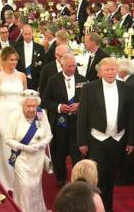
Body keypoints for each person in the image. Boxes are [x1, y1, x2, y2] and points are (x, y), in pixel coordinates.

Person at [77, 57, 134, 212]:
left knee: (111, 177)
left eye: (113, 69)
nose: (110, 72)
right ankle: (92, 207)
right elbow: (82, 116)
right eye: (107, 70)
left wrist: (131, 141)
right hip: (97, 139)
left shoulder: (127, 88)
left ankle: (107, 208)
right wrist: (81, 141)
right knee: (96, 177)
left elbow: (131, 116)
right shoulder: (89, 88)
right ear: (100, 72)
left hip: (117, 139)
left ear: (117, 70)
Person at [42, 52, 87, 188]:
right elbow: (44, 101)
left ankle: (78, 180)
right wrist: (59, 107)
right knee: (59, 153)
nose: (72, 69)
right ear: (62, 66)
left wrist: (80, 105)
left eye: (74, 66)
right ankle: (61, 178)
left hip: (77, 124)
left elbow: (89, 101)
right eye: (68, 66)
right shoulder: (53, 80)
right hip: (59, 123)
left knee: (76, 154)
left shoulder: (82, 79)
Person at [5, 89, 52, 212]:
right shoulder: (15, 115)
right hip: (22, 158)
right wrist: (25, 147)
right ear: (22, 104)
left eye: (34, 106)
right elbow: (8, 139)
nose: (32, 109)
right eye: (29, 106)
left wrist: (40, 145)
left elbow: (49, 135)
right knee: (25, 186)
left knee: (35, 188)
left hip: (38, 158)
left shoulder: (42, 114)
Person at [0, 46, 27, 192]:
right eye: (11, 60)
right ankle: (6, 181)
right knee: (6, 148)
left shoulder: (22, 76)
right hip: (3, 114)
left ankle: (19, 180)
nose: (14, 63)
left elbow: (26, 97)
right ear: (4, 60)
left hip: (19, 114)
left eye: (16, 60)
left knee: (20, 145)